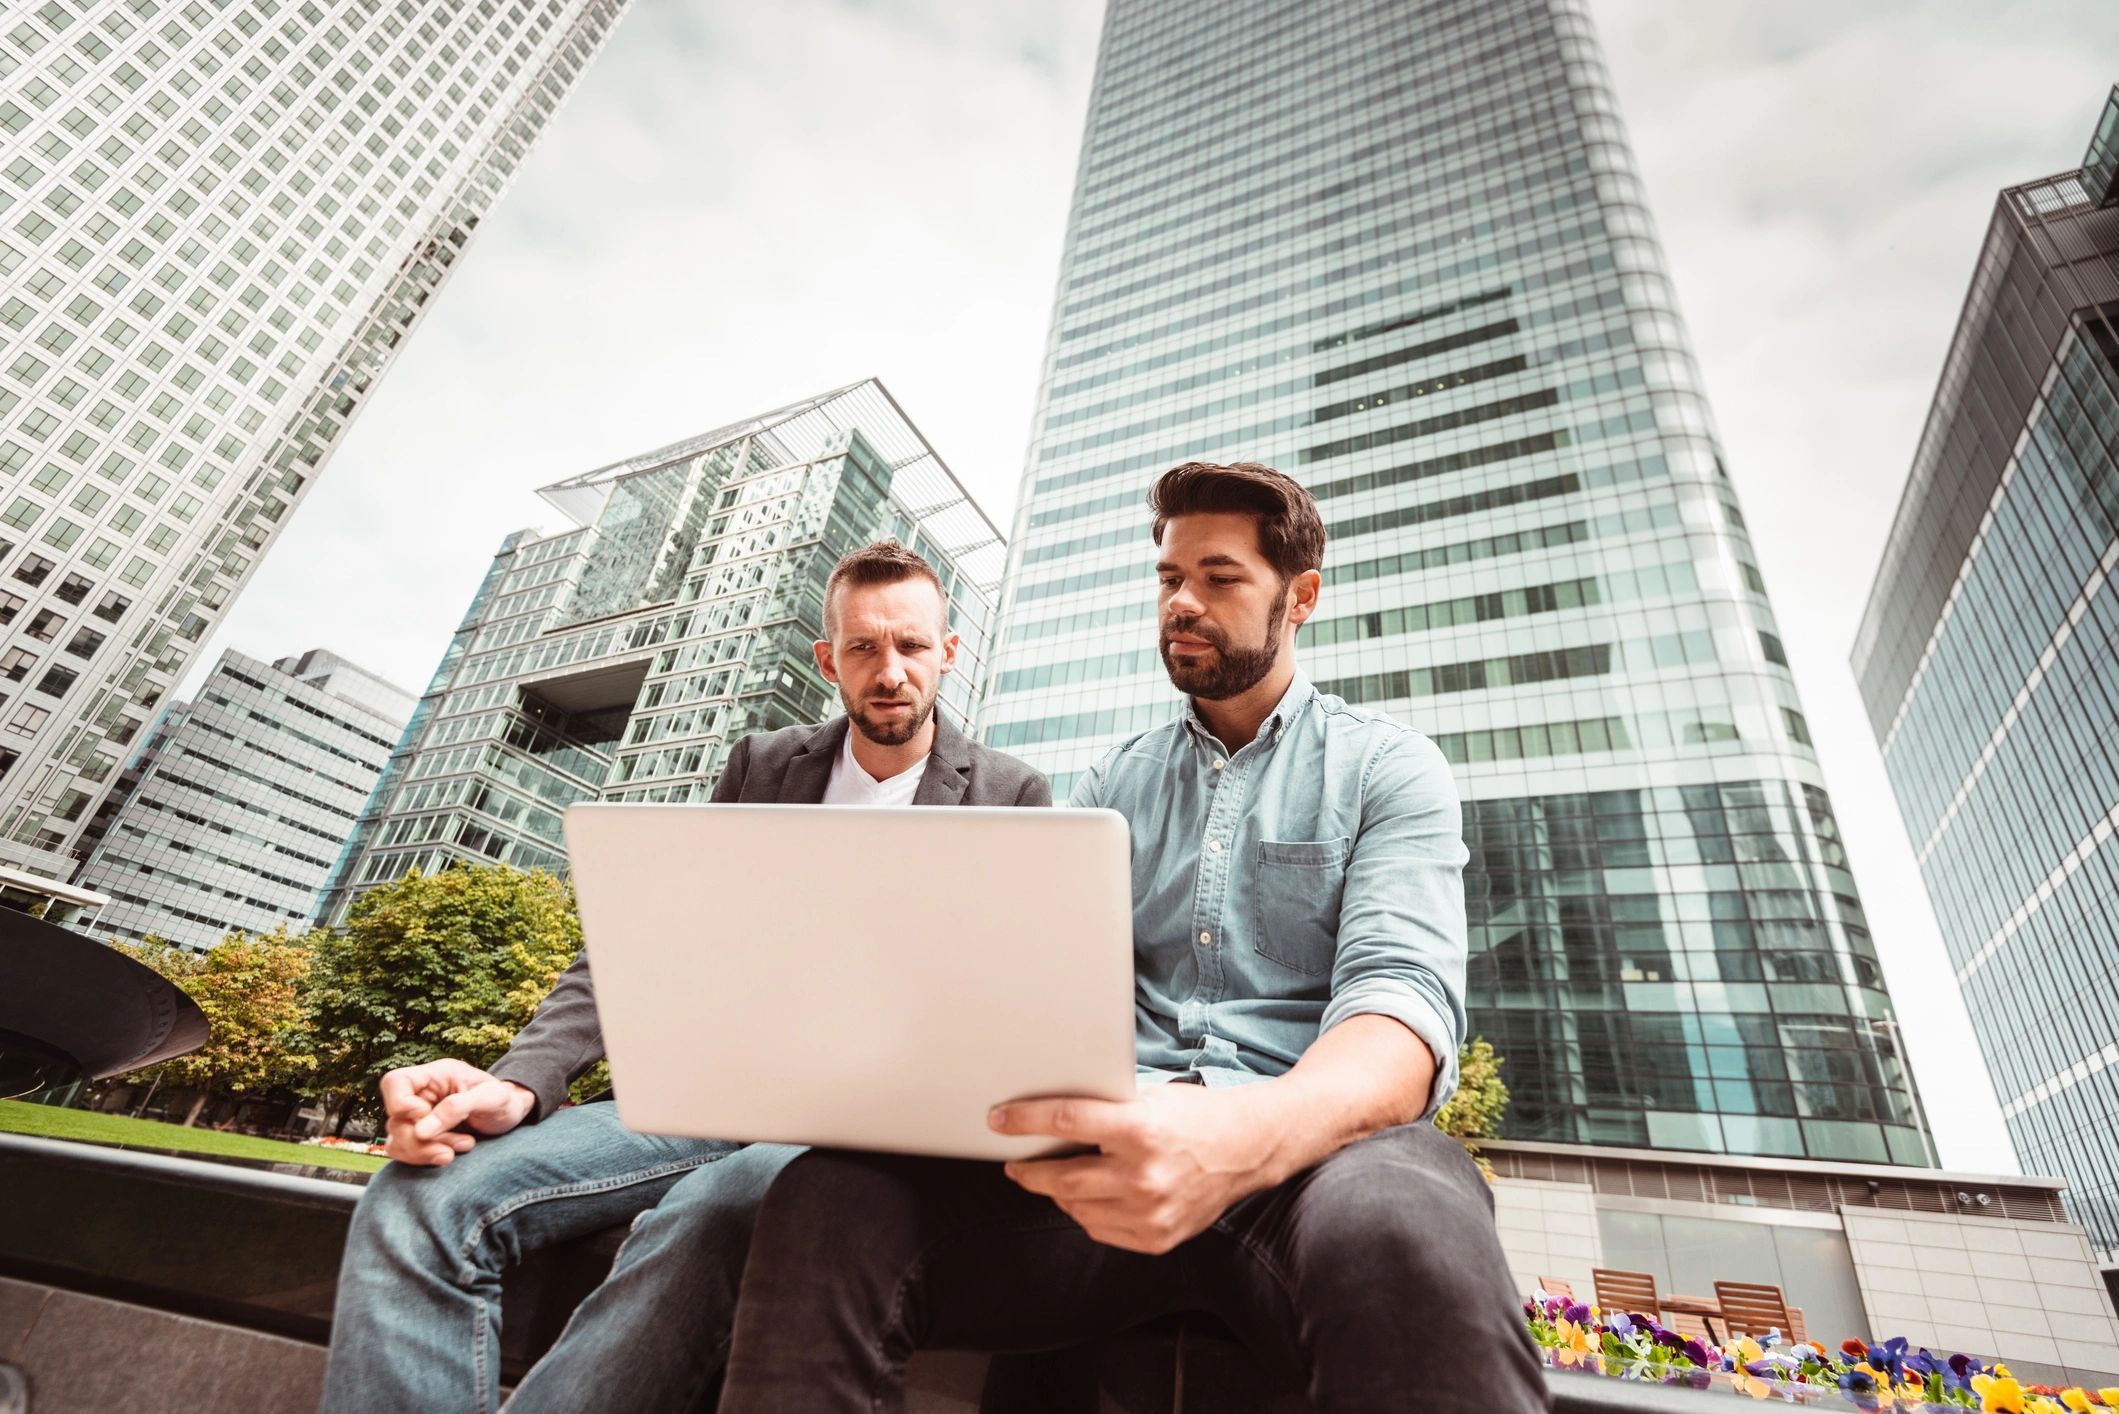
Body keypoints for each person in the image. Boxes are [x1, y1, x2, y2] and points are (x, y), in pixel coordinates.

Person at [717, 463, 1549, 1413]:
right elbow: (1035, 995)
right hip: (1108, 1160)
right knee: (828, 1201)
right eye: (1167, 579)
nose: (1182, 602)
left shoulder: (1387, 768)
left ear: (1301, 596)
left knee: (1411, 1225)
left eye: (1220, 578)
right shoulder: (1110, 786)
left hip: (1314, 1164)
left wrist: (1242, 1137)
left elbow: (1400, 1009)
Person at [319, 540, 1050, 1414]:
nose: (888, 670)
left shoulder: (1010, 794)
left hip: (854, 1136)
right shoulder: (764, 765)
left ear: (947, 653)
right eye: (862, 648)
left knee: (715, 1214)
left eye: (911, 646)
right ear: (828, 659)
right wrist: (518, 1084)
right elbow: (641, 944)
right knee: (421, 1196)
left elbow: (1003, 1005)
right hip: (710, 1103)